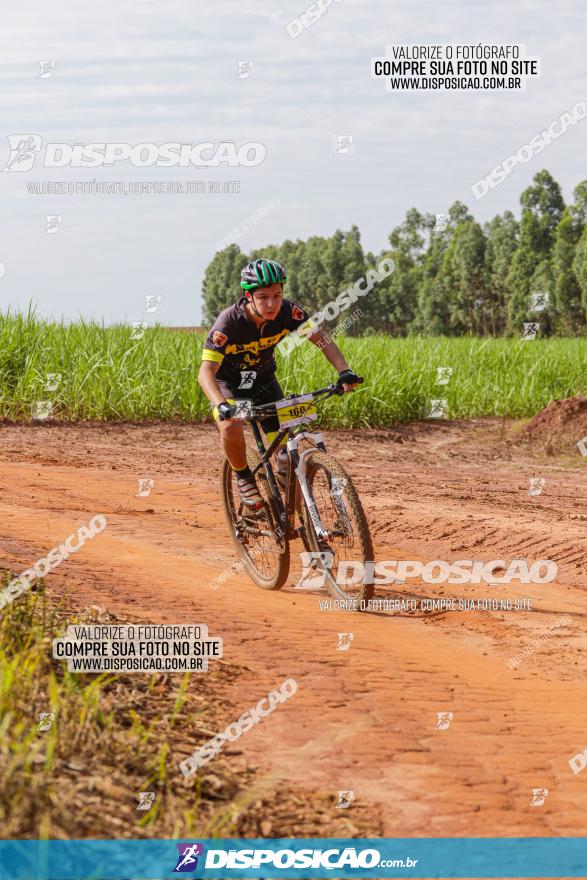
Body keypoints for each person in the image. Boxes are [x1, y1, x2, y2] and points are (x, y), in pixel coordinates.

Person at [198, 258, 361, 507]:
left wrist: (344, 371)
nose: (272, 303)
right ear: (248, 295)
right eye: (263, 297)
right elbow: (205, 372)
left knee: (286, 456)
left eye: (277, 295)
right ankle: (243, 477)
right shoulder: (229, 322)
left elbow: (322, 340)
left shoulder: (288, 312)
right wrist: (221, 405)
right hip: (228, 384)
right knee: (231, 425)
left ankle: (300, 522)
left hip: (263, 382)